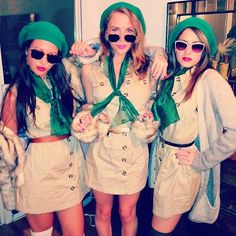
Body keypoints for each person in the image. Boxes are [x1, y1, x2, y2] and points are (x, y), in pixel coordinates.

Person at [70, 2, 166, 236]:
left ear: (137, 34)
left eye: (129, 32)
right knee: (102, 213)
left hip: (133, 150)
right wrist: (84, 118)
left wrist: (148, 117)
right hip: (102, 151)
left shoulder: (149, 66)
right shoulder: (90, 68)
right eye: (114, 31)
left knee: (127, 214)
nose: (122, 38)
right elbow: (89, 106)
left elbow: (152, 103)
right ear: (105, 33)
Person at [0, 21, 94, 236]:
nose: (44, 61)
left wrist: (81, 121)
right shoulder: (16, 93)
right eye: (38, 53)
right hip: (38, 171)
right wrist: (12, 183)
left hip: (69, 164)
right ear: (26, 52)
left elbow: (90, 100)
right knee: (43, 234)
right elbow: (8, 147)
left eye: (51, 57)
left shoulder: (64, 84)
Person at [149, 17, 236, 235]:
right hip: (160, 159)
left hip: (181, 167)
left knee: (158, 230)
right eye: (181, 44)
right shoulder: (171, 76)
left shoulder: (210, 79)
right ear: (174, 47)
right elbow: (142, 49)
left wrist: (202, 159)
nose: (188, 51)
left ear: (205, 51)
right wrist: (159, 52)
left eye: (197, 46)